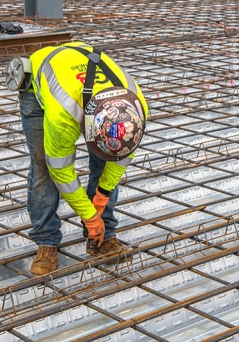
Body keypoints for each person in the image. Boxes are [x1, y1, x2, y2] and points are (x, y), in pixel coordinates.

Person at [10, 42, 148, 275]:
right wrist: (88, 215)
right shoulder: (64, 111)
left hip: (80, 69)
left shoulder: (136, 110)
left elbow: (122, 156)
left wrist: (102, 196)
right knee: (43, 165)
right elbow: (60, 171)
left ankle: (103, 236)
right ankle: (47, 241)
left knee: (108, 158)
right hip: (40, 77)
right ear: (89, 128)